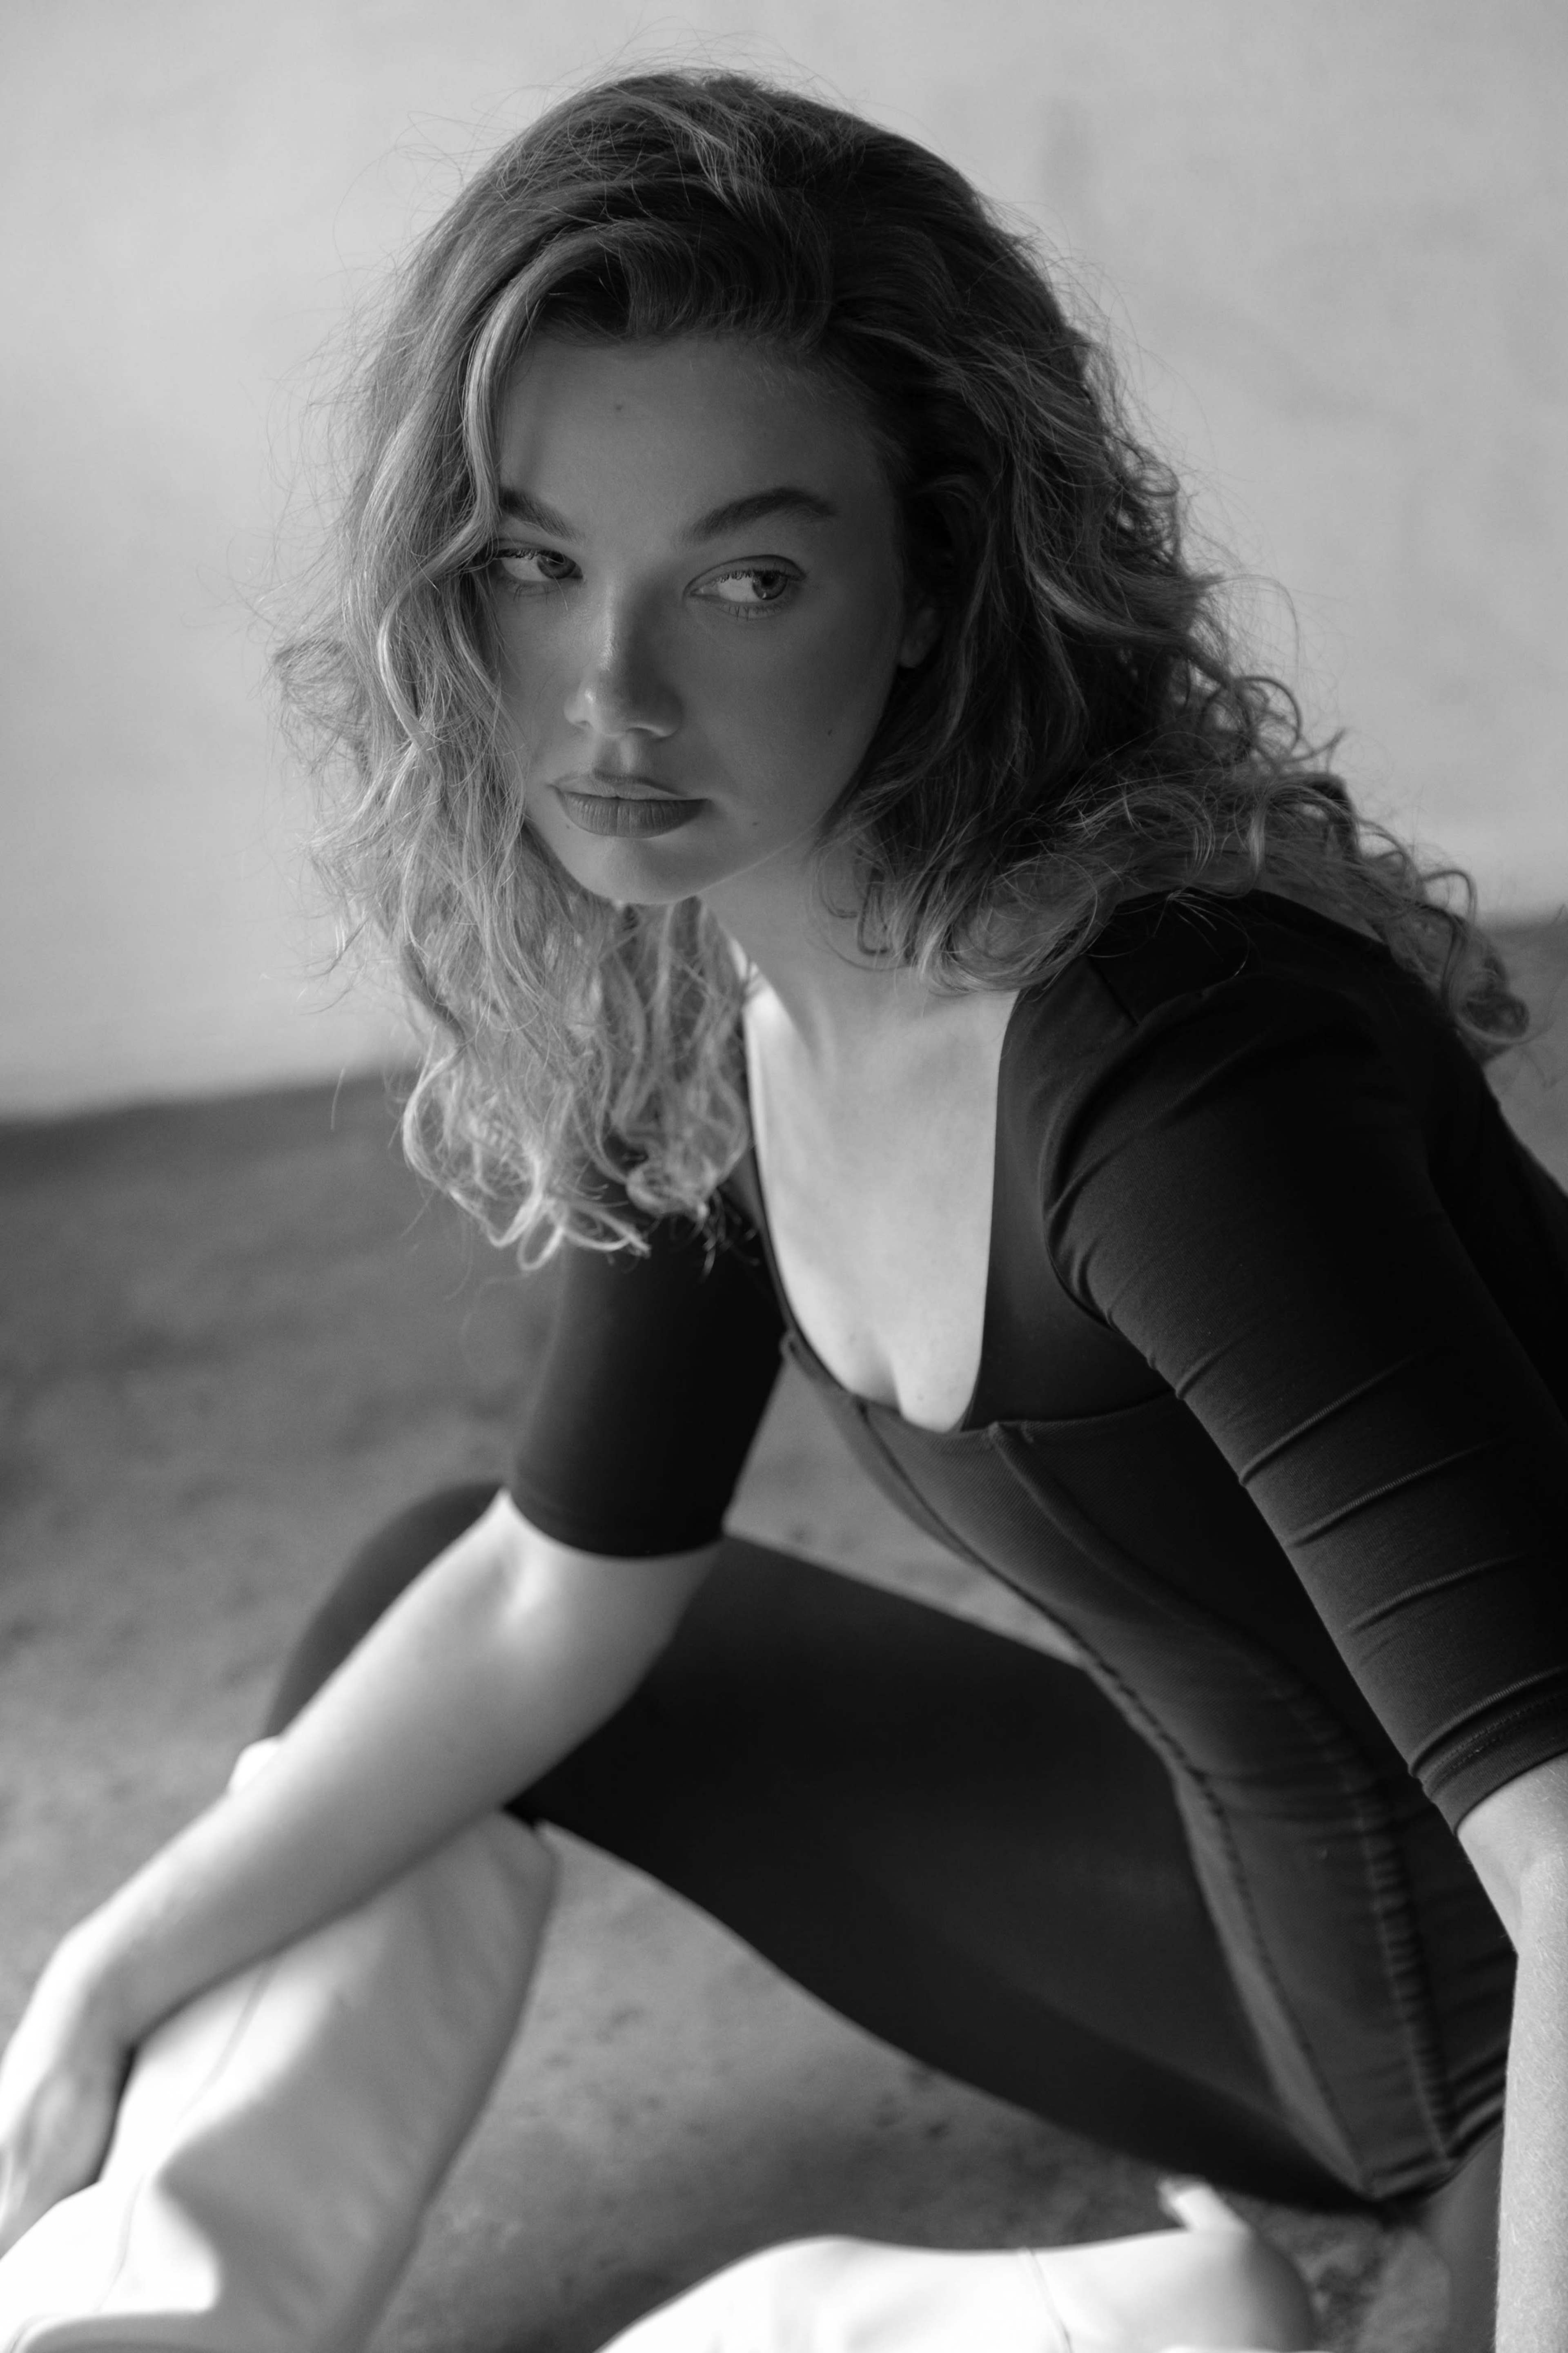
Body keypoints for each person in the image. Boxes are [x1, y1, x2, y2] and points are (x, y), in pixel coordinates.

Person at [1, 67, 1564, 2353]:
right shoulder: (723, 947)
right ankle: (134, 2317)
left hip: (1522, 2019)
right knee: (421, 1602)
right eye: (538, 565)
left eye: (744, 574)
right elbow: (564, 1587)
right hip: (1278, 1966)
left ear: (932, 582)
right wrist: (100, 1971)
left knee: (765, 2322)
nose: (610, 696)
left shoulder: (1181, 1090)